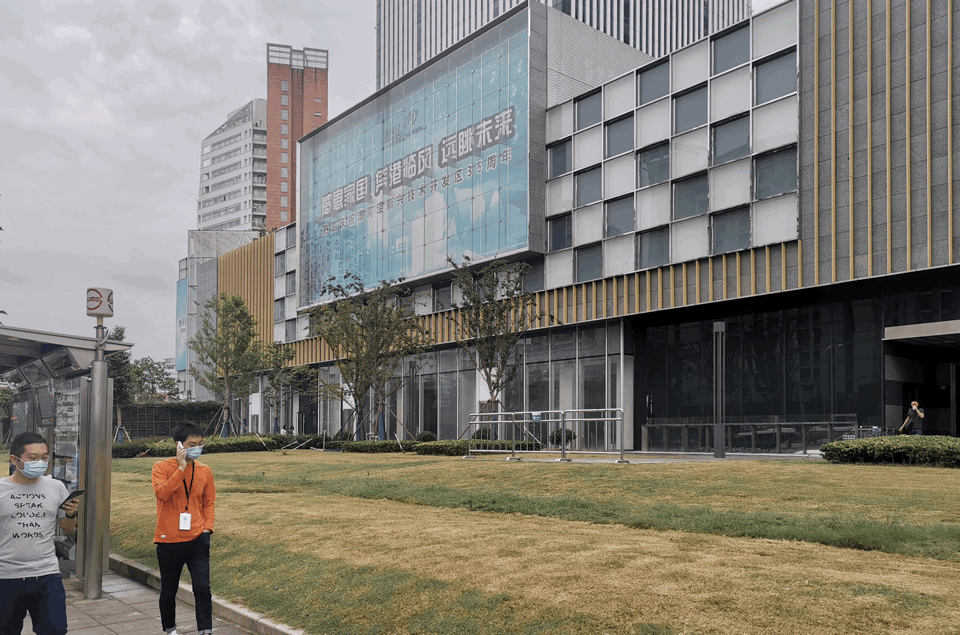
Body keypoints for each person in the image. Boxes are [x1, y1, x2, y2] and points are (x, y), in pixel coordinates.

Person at [0, 432, 80, 635]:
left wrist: (70, 514)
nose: (40, 463)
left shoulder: (56, 487)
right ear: (14, 460)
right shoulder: (1, 489)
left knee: (55, 630)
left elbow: (67, 528)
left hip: (47, 574)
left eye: (44, 457)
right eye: (32, 458)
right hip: (6, 575)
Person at [152, 423, 216, 635]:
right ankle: (170, 629)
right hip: (169, 540)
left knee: (202, 588)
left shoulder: (204, 470)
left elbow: (209, 502)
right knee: (169, 590)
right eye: (191, 444)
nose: (197, 448)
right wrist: (180, 469)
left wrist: (207, 528)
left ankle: (205, 630)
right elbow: (162, 494)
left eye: (200, 444)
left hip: (197, 539)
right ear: (178, 445)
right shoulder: (161, 468)